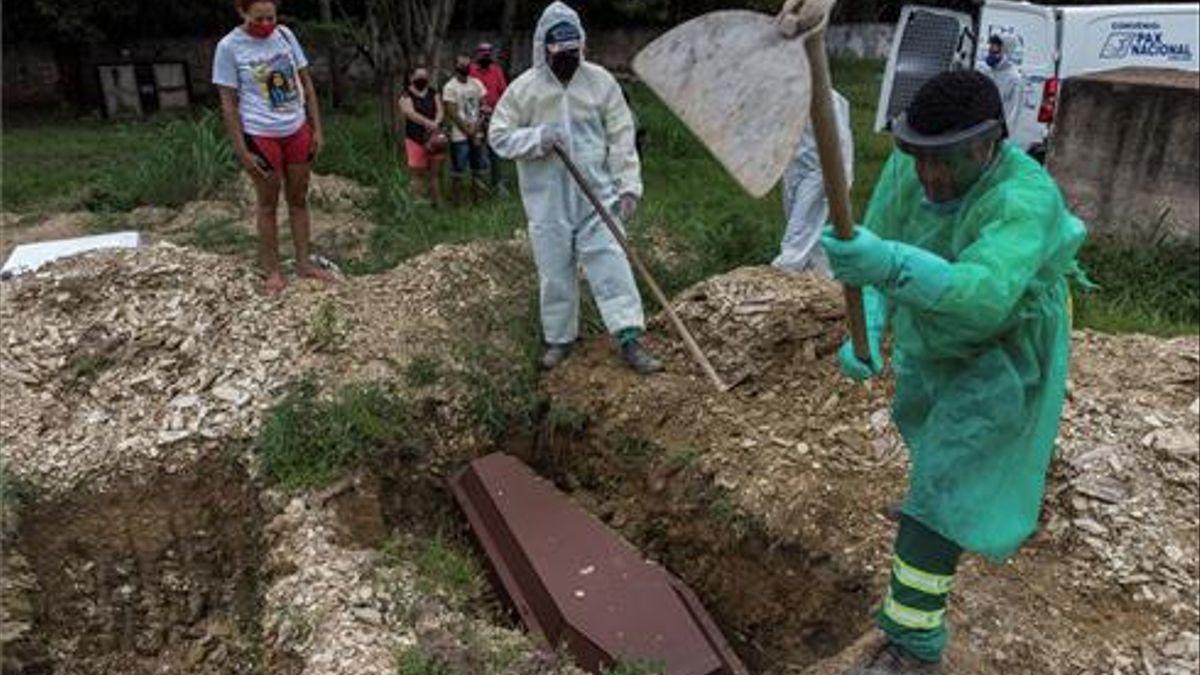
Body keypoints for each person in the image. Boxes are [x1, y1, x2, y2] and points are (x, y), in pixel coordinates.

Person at [820, 70, 1086, 674]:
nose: (929, 177)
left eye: (945, 162)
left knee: (942, 481)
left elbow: (983, 295)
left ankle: (914, 643)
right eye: (919, 159)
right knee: (925, 421)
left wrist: (886, 267)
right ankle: (941, 496)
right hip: (933, 330)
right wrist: (868, 319)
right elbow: (878, 241)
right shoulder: (914, 167)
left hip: (1003, 344)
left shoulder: (1025, 198)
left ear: (988, 144)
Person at [489, 1, 662, 374]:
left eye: (573, 51)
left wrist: (628, 186)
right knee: (554, 269)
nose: (567, 59)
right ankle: (559, 340)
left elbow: (621, 136)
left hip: (597, 195)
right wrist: (537, 137)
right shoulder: (525, 89)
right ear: (545, 49)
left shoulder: (600, 82)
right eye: (560, 53)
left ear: (580, 45)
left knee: (611, 262)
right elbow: (498, 136)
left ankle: (629, 337)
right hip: (546, 200)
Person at [213, 0, 335, 294]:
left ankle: (304, 263)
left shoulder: (285, 36)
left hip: (296, 128)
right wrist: (242, 150)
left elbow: (306, 83)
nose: (267, 24)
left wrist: (317, 127)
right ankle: (273, 270)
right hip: (260, 133)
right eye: (259, 18)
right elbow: (228, 105)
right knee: (268, 204)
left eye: (271, 17)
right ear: (242, 12)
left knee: (299, 198)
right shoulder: (229, 47)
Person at [774, 89, 853, 274]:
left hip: (820, 167)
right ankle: (820, 273)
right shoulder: (784, 92)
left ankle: (786, 268)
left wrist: (836, 172)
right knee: (806, 224)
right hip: (795, 165)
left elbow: (839, 142)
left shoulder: (828, 97)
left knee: (804, 222)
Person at [442, 54, 490, 205]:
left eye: (467, 64)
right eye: (462, 64)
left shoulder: (476, 83)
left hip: (477, 130)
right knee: (459, 169)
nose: (465, 67)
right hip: (459, 135)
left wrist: (476, 128)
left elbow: (483, 105)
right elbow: (452, 113)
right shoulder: (450, 87)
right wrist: (469, 132)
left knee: (479, 167)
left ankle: (479, 200)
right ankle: (457, 202)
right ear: (455, 67)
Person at [398, 66, 446, 207]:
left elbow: (440, 109)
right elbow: (409, 113)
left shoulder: (433, 92)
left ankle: (437, 202)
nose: (422, 79)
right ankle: (415, 203)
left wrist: (436, 122)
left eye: (425, 77)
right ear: (412, 78)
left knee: (435, 172)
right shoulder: (405, 95)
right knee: (417, 173)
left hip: (434, 137)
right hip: (415, 138)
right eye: (419, 76)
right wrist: (428, 122)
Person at [469, 42, 509, 192]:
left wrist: (496, 109)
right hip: (475, 116)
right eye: (483, 53)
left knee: (495, 150)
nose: (486, 56)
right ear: (477, 54)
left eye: (488, 53)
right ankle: (480, 184)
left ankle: (498, 183)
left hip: (494, 115)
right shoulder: (471, 71)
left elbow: (504, 92)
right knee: (478, 150)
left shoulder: (496, 70)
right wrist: (480, 108)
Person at [983, 34, 1024, 139]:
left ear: (1006, 52)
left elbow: (1013, 113)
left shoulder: (1014, 79)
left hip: (998, 133)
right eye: (990, 47)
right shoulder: (989, 72)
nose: (991, 51)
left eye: (995, 48)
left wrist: (1003, 135)